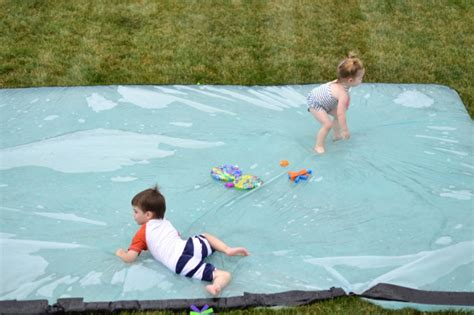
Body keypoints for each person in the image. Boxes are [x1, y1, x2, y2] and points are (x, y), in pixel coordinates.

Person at [115, 186, 249, 296]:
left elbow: (131, 258)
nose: (134, 215)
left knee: (223, 274)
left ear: (148, 214)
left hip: (179, 262)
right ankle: (227, 249)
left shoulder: (142, 232)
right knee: (206, 236)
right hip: (187, 246)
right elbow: (176, 236)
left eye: (136, 212)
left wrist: (121, 253)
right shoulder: (165, 222)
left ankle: (216, 286)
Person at [307, 52, 365, 154]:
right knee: (327, 124)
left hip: (324, 101)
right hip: (315, 103)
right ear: (351, 80)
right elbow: (341, 114)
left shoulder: (341, 82)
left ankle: (336, 135)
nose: (362, 80)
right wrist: (345, 130)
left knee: (336, 117)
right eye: (360, 78)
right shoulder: (342, 94)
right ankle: (318, 146)